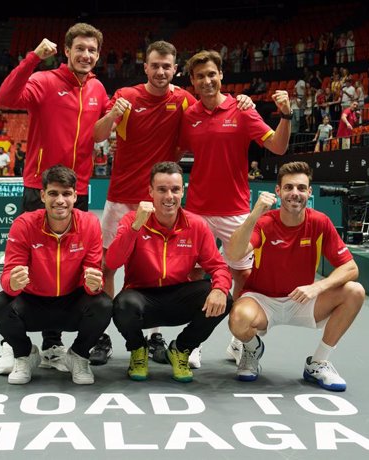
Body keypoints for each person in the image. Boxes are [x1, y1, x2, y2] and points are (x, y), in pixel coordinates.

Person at [92, 41, 254, 366]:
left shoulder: (182, 99)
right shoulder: (126, 95)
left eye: (167, 66)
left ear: (175, 70)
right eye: (155, 65)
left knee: (158, 267)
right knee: (107, 266)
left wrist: (242, 102)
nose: (161, 71)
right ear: (145, 67)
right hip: (122, 198)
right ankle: (100, 334)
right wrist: (113, 114)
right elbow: (97, 135)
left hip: (163, 199)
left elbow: (212, 105)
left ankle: (154, 337)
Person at [0, 23, 111, 366]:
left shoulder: (98, 89)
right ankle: (9, 343)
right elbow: (5, 98)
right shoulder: (45, 81)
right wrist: (32, 58)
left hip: (78, 188)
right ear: (67, 50)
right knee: (29, 265)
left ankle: (51, 343)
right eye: (80, 48)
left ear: (98, 54)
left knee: (68, 267)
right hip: (39, 185)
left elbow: (104, 128)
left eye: (92, 50)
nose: (86, 55)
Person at [178, 49, 292, 364]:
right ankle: (193, 341)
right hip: (197, 209)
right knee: (195, 275)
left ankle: (237, 340)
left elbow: (278, 146)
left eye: (211, 73)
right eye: (200, 76)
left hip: (236, 210)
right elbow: (173, 149)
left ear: (221, 75)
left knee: (242, 276)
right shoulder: (189, 116)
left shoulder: (242, 110)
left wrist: (285, 115)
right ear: (193, 82)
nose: (206, 80)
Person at [226, 161, 364, 390]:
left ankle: (318, 362)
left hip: (302, 300)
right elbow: (234, 253)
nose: (295, 193)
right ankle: (252, 350)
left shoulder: (320, 222)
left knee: (355, 291)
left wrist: (318, 287)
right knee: (238, 319)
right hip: (263, 300)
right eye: (289, 188)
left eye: (301, 188)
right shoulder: (264, 223)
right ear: (278, 191)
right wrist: (254, 214)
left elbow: (351, 268)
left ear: (309, 192)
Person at [106, 162, 233, 382]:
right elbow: (113, 260)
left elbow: (218, 266)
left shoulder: (196, 225)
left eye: (175, 189)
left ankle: (181, 349)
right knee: (122, 305)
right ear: (150, 192)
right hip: (141, 298)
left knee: (224, 298)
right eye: (162, 189)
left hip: (178, 297)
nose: (169, 196)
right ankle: (138, 349)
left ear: (182, 190)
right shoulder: (132, 220)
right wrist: (136, 227)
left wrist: (220, 288)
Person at [0, 165, 112, 385]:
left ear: (75, 196)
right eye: (53, 193)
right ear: (43, 195)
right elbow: (8, 276)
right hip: (33, 303)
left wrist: (95, 285)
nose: (60, 200)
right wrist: (13, 284)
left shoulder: (90, 224)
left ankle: (78, 355)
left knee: (103, 304)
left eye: (66, 194)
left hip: (70, 303)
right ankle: (24, 354)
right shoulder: (24, 224)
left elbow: (93, 276)